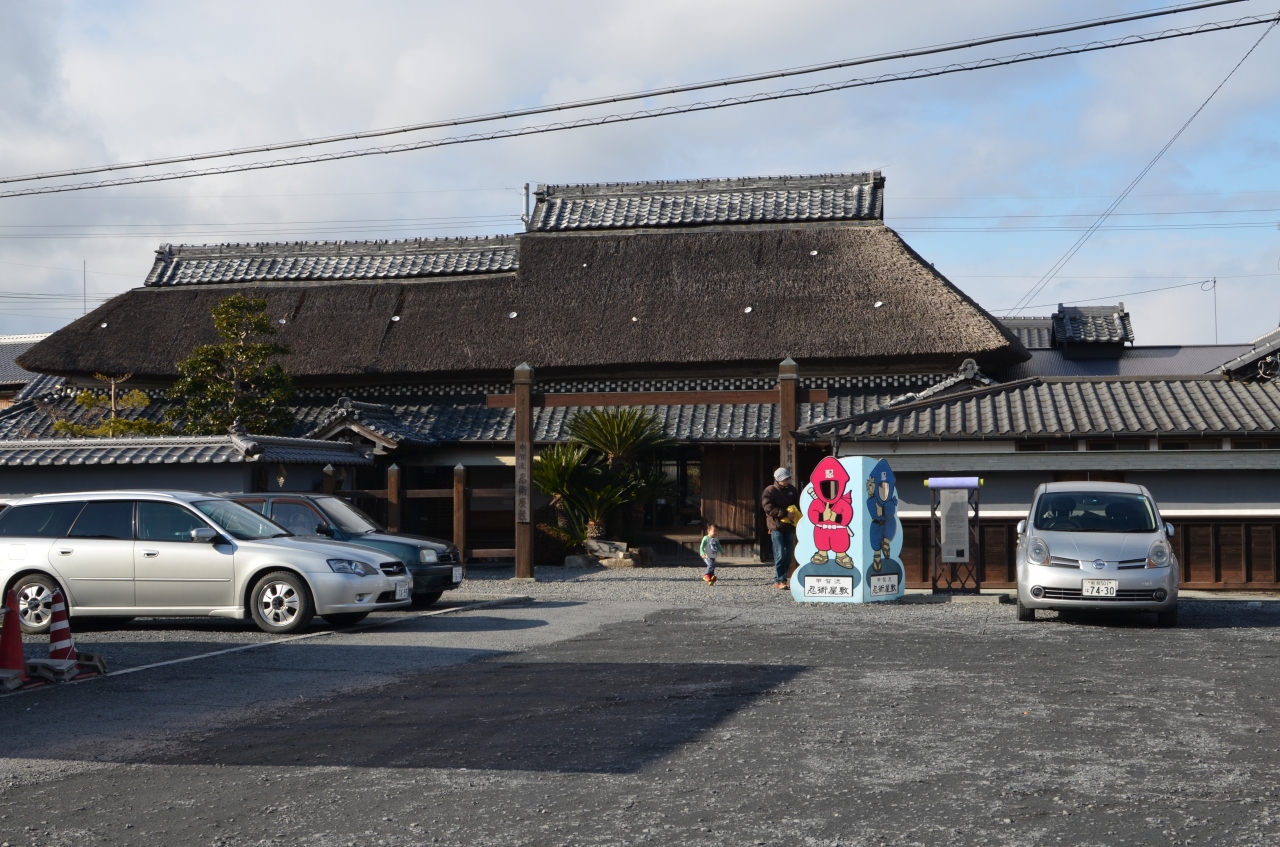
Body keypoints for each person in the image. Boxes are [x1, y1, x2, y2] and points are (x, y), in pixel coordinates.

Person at [762, 467, 801, 589]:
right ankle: (781, 580)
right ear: (778, 479)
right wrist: (785, 513)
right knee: (780, 554)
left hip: (789, 526)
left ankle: (780, 579)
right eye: (785, 479)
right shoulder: (769, 491)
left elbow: (797, 504)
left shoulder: (792, 489)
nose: (788, 480)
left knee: (788, 555)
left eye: (788, 478)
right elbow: (768, 508)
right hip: (776, 527)